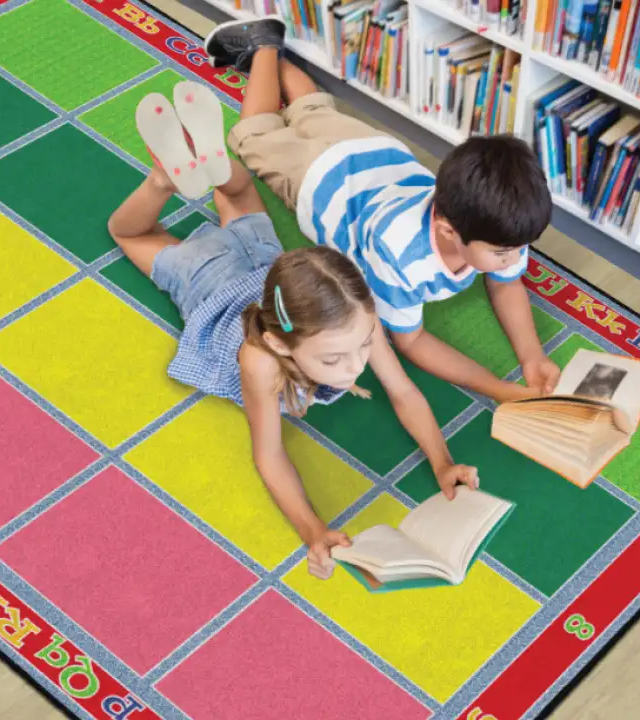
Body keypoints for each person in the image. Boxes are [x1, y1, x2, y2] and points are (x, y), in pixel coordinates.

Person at [109, 80, 478, 580]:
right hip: (209, 279)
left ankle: (209, 162)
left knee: (237, 189)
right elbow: (269, 453)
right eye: (332, 361)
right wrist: (312, 528)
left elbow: (403, 389)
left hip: (267, 264)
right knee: (130, 233)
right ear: (282, 344)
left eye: (360, 348)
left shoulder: (354, 318)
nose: (353, 368)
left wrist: (442, 463)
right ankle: (163, 181)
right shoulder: (259, 360)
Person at [203, 17, 561, 404]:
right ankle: (264, 47)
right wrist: (497, 388)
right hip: (317, 181)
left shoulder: (503, 225)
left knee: (311, 113)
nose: (514, 256)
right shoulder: (400, 256)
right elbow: (413, 340)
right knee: (257, 134)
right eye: (503, 252)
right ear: (446, 230)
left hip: (376, 154)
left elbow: (506, 282)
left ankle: (271, 53)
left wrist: (532, 357)